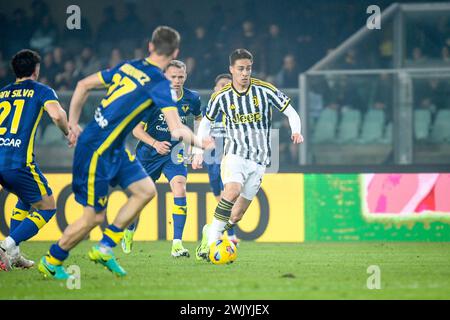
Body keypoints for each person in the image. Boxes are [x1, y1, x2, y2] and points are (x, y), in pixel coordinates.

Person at [37, 26, 211, 280]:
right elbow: (176, 128)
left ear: (150, 47)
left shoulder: (127, 66)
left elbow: (83, 85)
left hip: (114, 146)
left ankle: (105, 247)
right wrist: (202, 143)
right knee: (93, 217)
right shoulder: (161, 85)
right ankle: (51, 261)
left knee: (146, 191)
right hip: (98, 148)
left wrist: (73, 124)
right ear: (175, 51)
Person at [195, 49, 304, 260]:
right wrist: (200, 149)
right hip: (235, 154)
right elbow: (206, 123)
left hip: (260, 160)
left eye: (248, 69)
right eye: (240, 69)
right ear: (231, 70)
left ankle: (211, 230)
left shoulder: (265, 90)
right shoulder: (222, 96)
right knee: (232, 189)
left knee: (237, 215)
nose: (245, 73)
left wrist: (296, 130)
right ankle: (210, 245)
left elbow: (290, 111)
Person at [121, 60, 202, 257]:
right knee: (139, 199)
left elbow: (199, 119)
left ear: (185, 76)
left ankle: (177, 244)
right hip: (148, 154)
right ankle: (129, 231)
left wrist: (195, 146)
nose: (177, 80)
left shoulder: (192, 98)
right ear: (165, 76)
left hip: (174, 153)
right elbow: (136, 130)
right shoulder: (152, 99)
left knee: (180, 186)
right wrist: (155, 144)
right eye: (173, 77)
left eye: (180, 77)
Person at [0, 49, 70, 271]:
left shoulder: (2, 93)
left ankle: (14, 254)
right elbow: (57, 115)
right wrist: (68, 132)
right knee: (48, 207)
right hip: (18, 162)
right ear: (36, 70)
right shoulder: (41, 90)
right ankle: (6, 246)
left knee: (24, 198)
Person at [191, 73, 239, 249]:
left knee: (230, 197)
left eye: (228, 84)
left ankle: (231, 235)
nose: (225, 87)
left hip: (232, 159)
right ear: (215, 89)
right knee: (220, 198)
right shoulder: (208, 111)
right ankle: (226, 233)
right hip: (212, 161)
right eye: (221, 85)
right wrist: (198, 151)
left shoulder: (237, 109)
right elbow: (200, 133)